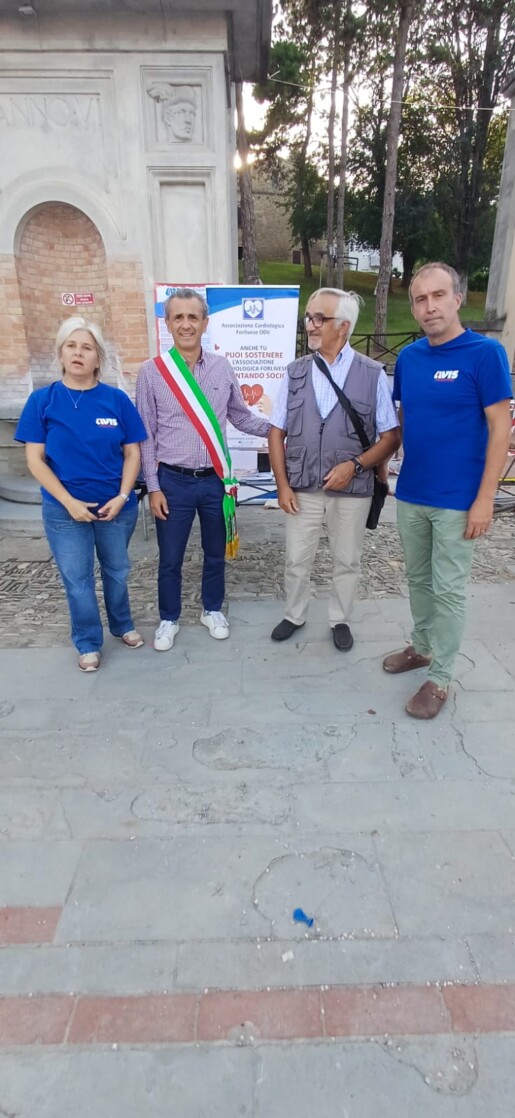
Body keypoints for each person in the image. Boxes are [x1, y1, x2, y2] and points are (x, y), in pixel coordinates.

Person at [383, 262, 512, 718]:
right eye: (420, 298)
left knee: (449, 590)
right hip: (412, 492)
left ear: (457, 299)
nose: (430, 306)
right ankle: (421, 647)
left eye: (439, 296)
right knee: (418, 579)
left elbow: (500, 429)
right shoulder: (410, 358)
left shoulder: (485, 354)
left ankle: (440, 679)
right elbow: (405, 418)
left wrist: (485, 499)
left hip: (459, 500)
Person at [136, 288, 270, 650]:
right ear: (168, 323)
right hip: (172, 482)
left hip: (215, 481)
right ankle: (169, 618)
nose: (186, 324)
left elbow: (241, 416)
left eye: (193, 317)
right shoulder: (151, 372)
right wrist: (153, 487)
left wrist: (279, 430)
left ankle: (212, 609)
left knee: (215, 553)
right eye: (178, 317)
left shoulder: (222, 368)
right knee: (170, 558)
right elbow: (145, 434)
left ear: (205, 322)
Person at [268, 287, 400, 649]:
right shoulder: (295, 372)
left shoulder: (371, 373)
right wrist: (282, 486)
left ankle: (340, 619)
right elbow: (276, 432)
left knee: (347, 560)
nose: (310, 325)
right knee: (296, 558)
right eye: (308, 317)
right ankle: (294, 614)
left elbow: (391, 437)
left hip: (352, 490)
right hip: (302, 486)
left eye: (319, 318)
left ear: (343, 326)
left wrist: (355, 466)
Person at [14, 317, 148, 672]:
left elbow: (133, 453)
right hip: (64, 511)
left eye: (86, 347)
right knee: (78, 578)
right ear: (61, 354)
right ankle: (88, 641)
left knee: (117, 570)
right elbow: (35, 459)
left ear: (97, 358)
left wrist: (123, 496)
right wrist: (68, 502)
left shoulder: (116, 400)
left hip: (115, 507)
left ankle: (122, 624)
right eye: (71, 346)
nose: (78, 353)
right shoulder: (42, 401)